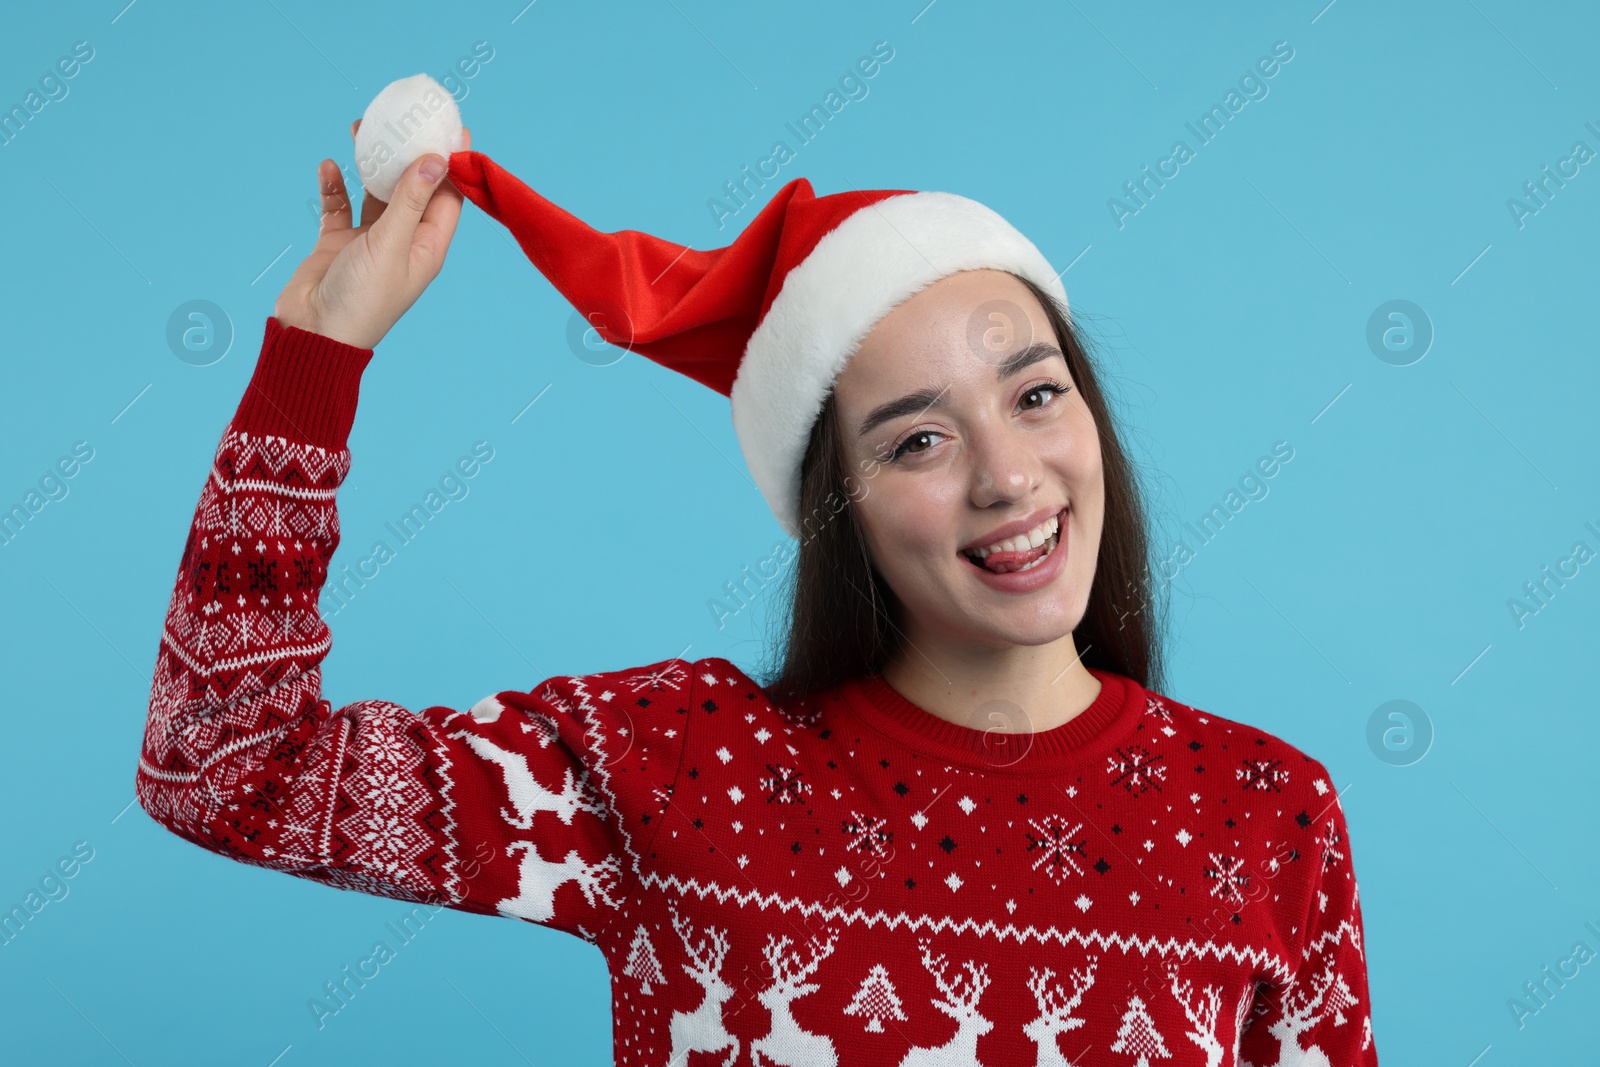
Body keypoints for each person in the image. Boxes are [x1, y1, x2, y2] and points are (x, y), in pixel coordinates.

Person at [137, 119, 1378, 1066]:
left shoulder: (1270, 816)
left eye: (1035, 391)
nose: (1009, 475)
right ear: (834, 505)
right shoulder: (668, 766)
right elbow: (222, 762)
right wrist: (316, 360)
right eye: (916, 441)